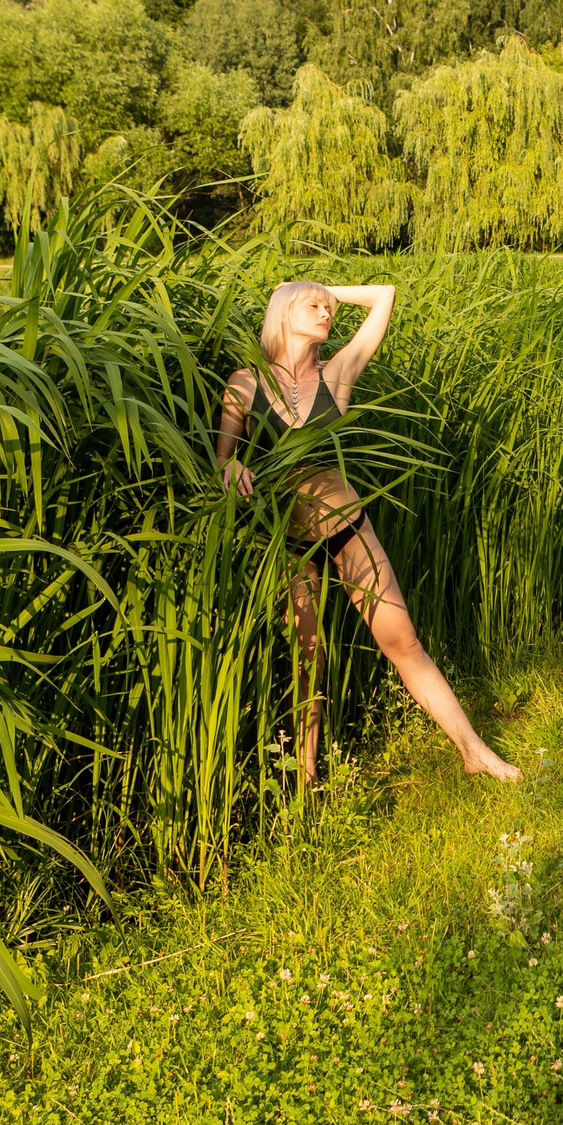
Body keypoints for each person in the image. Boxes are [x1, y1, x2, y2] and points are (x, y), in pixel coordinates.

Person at [215, 282, 521, 786]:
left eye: (329, 308)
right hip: (285, 542)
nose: (326, 313)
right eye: (312, 306)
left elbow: (386, 295)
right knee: (306, 659)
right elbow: (222, 459)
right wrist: (231, 468)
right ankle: (306, 781)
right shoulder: (244, 384)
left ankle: (476, 751)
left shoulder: (337, 374)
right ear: (283, 311)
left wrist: (322, 288)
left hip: (348, 527)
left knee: (404, 642)